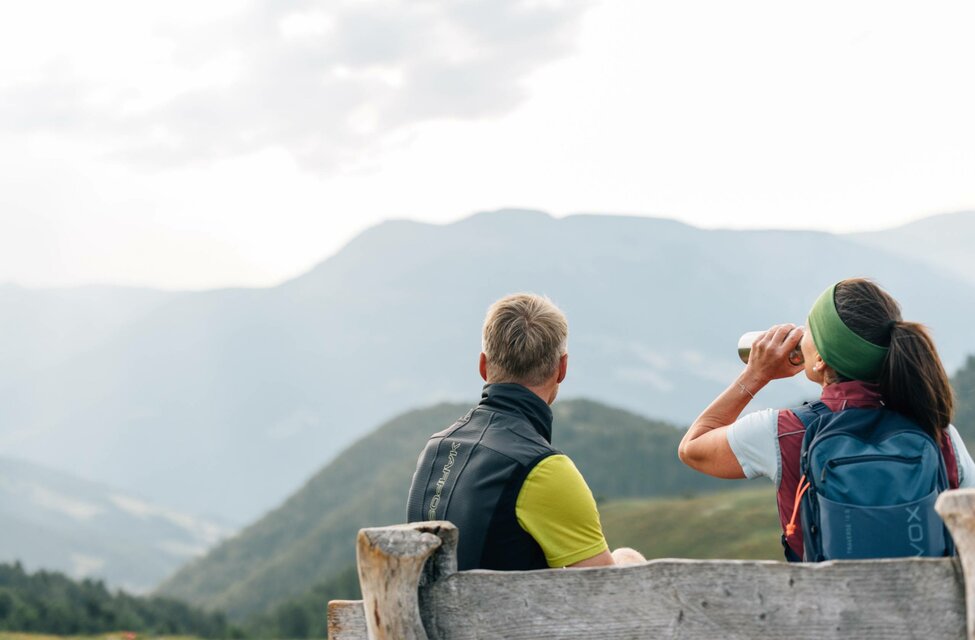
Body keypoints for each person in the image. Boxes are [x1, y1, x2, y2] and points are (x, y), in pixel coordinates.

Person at [678, 278, 975, 561]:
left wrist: (757, 375)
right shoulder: (938, 433)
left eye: (807, 330)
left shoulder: (783, 431)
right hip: (927, 611)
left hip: (826, 612)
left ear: (819, 359)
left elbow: (693, 448)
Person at [406, 293, 644, 570]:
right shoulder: (543, 468)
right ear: (561, 368)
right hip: (505, 614)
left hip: (432, 614)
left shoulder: (434, 450)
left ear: (483, 365)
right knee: (629, 560)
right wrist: (628, 559)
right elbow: (608, 596)